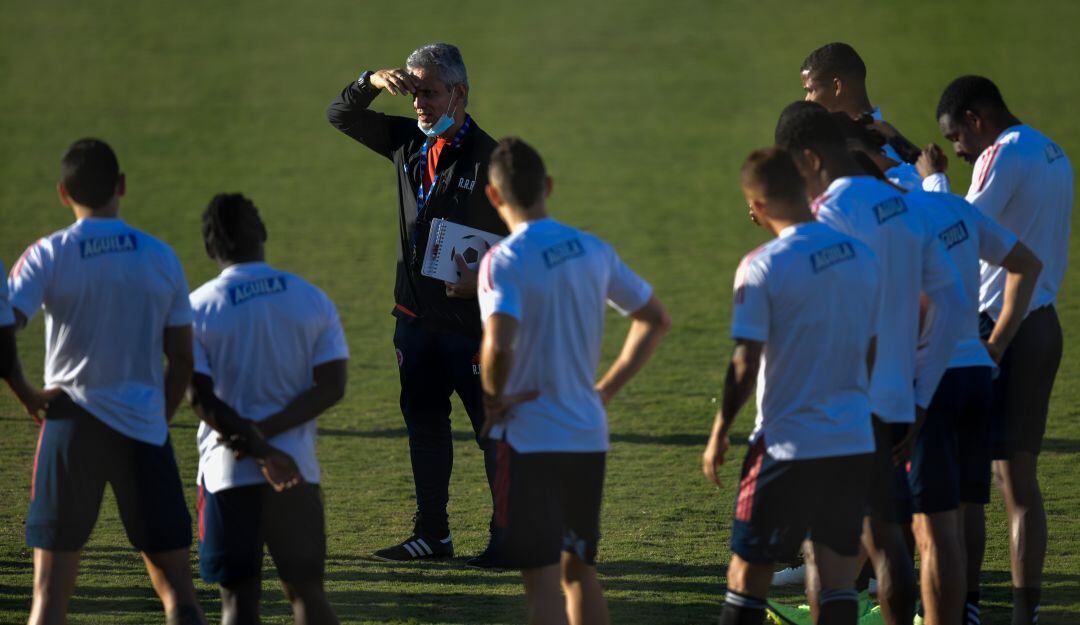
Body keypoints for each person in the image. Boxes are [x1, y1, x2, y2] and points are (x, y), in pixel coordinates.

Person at [775, 102, 967, 625]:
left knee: (826, 549)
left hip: (839, 400)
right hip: (897, 400)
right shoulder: (903, 206)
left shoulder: (827, 216)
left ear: (810, 158)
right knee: (887, 542)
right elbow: (950, 305)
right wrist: (921, 395)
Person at [7, 139, 205, 625]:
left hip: (69, 427)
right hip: (142, 428)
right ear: (121, 186)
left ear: (62, 193)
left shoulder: (47, 254)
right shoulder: (160, 256)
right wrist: (155, 421)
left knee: (49, 597)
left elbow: (3, 326)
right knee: (179, 592)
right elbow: (181, 359)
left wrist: (27, 394)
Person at [326, 42, 508, 565]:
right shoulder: (405, 141)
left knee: (491, 434)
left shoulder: (491, 159)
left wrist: (484, 280)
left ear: (459, 94)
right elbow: (339, 114)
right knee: (425, 430)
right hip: (414, 321)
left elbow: (525, 243)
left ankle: (508, 537)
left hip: (472, 327)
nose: (419, 104)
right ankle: (433, 536)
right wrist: (370, 82)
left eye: (428, 92)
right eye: (412, 93)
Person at [477, 137, 669, 625]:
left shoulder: (503, 261)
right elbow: (653, 318)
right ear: (548, 186)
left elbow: (498, 343)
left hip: (528, 438)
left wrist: (493, 399)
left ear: (494, 197)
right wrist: (604, 390)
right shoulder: (591, 247)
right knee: (579, 571)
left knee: (540, 579)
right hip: (586, 432)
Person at [704, 147, 880, 625]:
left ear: (756, 207)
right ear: (806, 190)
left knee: (746, 577)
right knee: (837, 577)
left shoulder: (763, 264)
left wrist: (721, 428)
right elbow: (872, 345)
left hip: (785, 445)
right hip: (850, 440)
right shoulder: (862, 255)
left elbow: (745, 360)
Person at [928, 75, 1073, 625]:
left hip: (997, 330)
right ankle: (1025, 613)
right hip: (1043, 325)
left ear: (974, 119)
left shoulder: (1001, 154)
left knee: (972, 484)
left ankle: (965, 607)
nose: (962, 153)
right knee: (1021, 481)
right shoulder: (1052, 151)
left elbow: (955, 224)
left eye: (958, 138)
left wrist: (933, 181)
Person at [187, 194, 349, 625]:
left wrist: (255, 445)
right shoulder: (310, 299)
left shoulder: (197, 308)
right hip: (296, 472)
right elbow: (332, 385)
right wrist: (272, 442)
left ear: (210, 249)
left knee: (238, 602)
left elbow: (199, 397)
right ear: (262, 233)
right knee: (308, 595)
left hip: (226, 474)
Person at [907, 189, 1042, 625]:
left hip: (930, 379)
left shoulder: (890, 219)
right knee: (966, 505)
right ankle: (968, 609)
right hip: (976, 373)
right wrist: (996, 345)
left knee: (928, 529)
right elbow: (1028, 263)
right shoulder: (955, 208)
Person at [799, 42, 921, 165]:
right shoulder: (894, 141)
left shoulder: (872, 159)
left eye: (810, 90)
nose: (807, 99)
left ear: (837, 87)